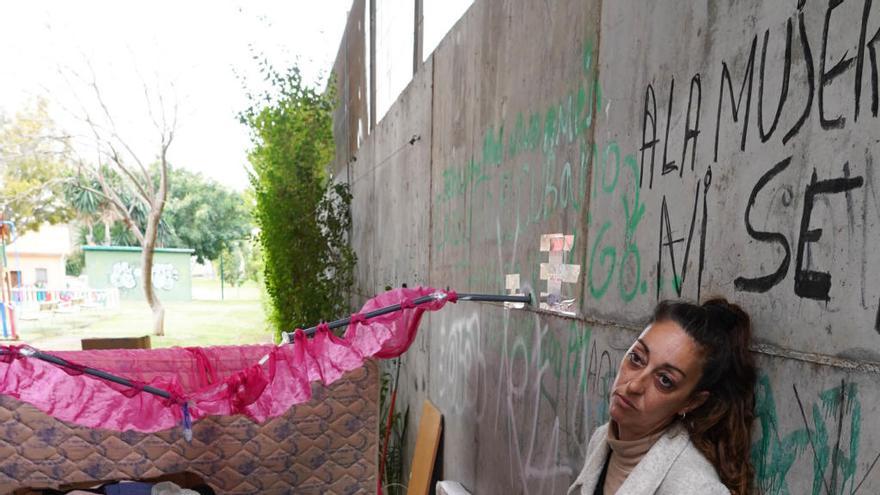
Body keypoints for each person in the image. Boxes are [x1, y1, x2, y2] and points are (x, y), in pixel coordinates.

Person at [569, 298, 757, 495]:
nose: (634, 385)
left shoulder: (696, 488)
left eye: (665, 380)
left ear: (691, 402)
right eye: (636, 358)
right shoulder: (602, 439)